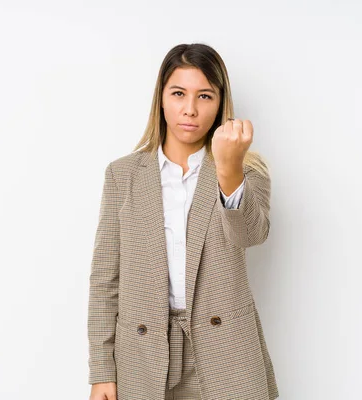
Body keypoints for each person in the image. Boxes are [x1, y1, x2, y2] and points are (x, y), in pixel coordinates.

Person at [88, 43, 279, 400]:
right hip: (142, 356)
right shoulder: (123, 175)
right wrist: (102, 370)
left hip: (227, 354)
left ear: (221, 103)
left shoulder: (245, 170)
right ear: (161, 98)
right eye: (178, 93)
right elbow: (105, 278)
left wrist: (228, 169)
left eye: (205, 96)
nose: (190, 109)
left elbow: (250, 235)